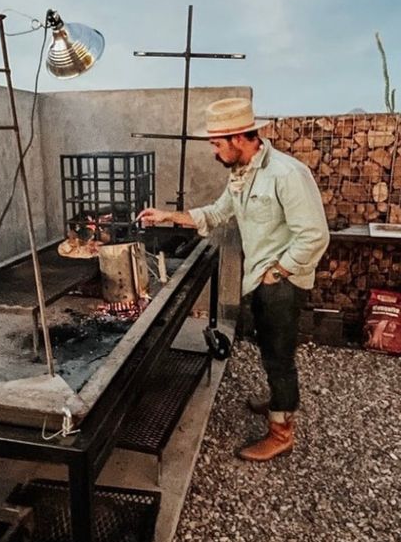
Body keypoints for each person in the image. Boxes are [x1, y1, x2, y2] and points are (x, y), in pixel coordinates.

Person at [138, 97, 329, 462]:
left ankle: (281, 433)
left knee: (279, 357)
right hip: (260, 278)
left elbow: (315, 236)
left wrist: (278, 272)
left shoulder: (286, 174)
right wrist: (168, 216)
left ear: (240, 138)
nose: (213, 150)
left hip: (281, 282)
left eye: (216, 143)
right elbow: (218, 212)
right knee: (268, 347)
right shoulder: (242, 174)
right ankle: (278, 401)